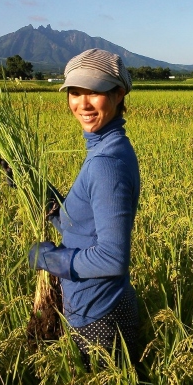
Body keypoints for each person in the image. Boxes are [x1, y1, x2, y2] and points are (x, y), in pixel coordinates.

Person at [27, 48, 141, 368]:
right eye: (75, 92)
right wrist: (36, 187)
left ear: (118, 94)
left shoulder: (106, 163)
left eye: (95, 92)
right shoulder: (105, 147)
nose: (83, 103)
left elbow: (112, 257)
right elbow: (81, 223)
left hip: (101, 318)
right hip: (92, 307)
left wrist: (52, 260)